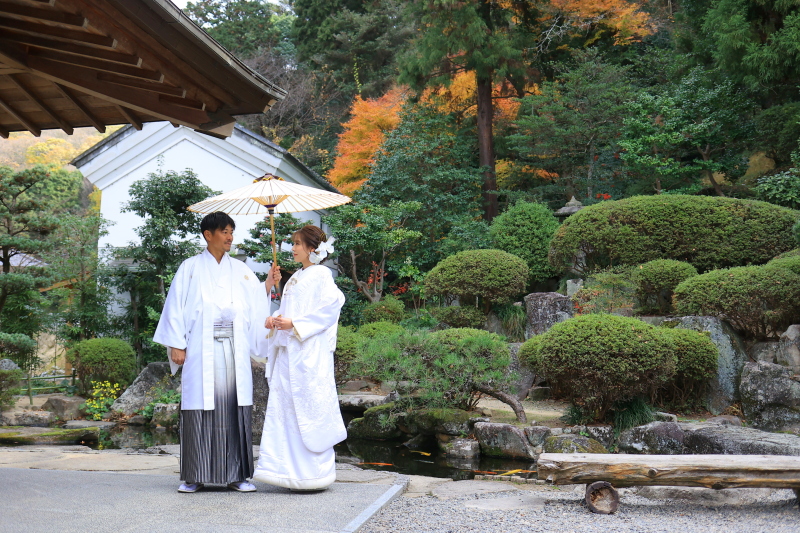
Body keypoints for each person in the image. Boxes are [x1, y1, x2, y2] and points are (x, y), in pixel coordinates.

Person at [153, 211, 279, 494]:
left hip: (234, 347)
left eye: (232, 231)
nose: (230, 237)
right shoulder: (190, 268)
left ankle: (237, 475)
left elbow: (254, 301)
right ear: (208, 235)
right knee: (199, 406)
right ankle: (194, 475)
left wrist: (268, 284)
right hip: (201, 347)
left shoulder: (241, 269)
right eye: (224, 231)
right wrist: (177, 342)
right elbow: (175, 305)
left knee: (235, 406)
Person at [252, 224, 347, 491]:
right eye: (292, 243)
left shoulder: (320, 275)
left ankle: (312, 474)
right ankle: (285, 471)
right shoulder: (296, 277)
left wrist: (294, 324)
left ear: (312, 249)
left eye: (297, 243)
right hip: (288, 353)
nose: (292, 248)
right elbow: (287, 311)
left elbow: (331, 307)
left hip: (307, 352)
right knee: (287, 410)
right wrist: (274, 319)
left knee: (308, 408)